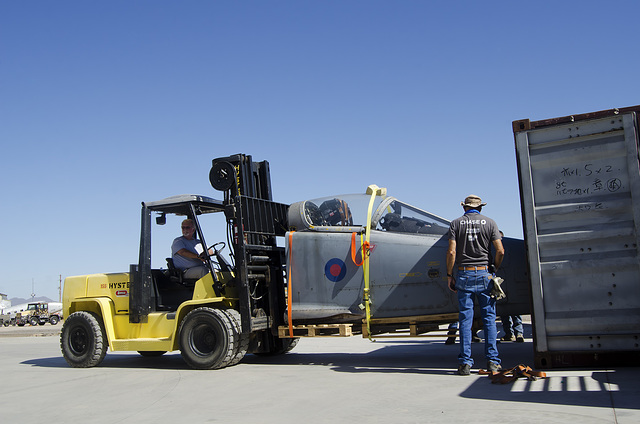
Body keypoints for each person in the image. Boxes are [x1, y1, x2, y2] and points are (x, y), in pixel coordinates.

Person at [446, 194, 504, 376]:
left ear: (464, 208)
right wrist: (494, 269)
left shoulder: (455, 224)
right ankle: (493, 362)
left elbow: (451, 251)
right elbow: (500, 250)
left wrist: (449, 275)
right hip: (485, 274)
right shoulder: (491, 223)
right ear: (480, 208)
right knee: (489, 319)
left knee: (465, 320)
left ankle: (465, 364)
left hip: (464, 274)